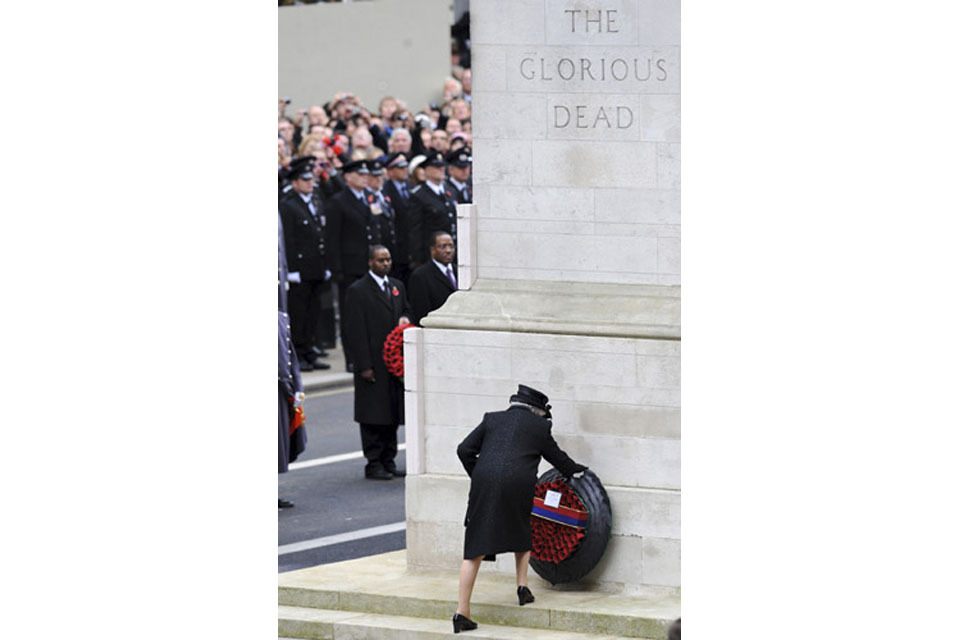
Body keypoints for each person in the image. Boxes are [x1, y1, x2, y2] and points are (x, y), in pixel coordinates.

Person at [452, 385, 587, 633]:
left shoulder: (492, 418)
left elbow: (464, 450)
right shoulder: (540, 427)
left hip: (485, 482)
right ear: (538, 411)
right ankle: (522, 587)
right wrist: (578, 470)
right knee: (522, 529)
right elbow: (559, 459)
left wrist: (480, 474)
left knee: (474, 548)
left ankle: (462, 612)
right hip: (519, 483)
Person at [342, 245, 412, 480]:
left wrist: (406, 318)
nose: (385, 264)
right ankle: (373, 463)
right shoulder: (358, 290)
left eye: (388, 260)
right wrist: (363, 365)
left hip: (392, 365)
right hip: (372, 364)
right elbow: (354, 330)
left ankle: (388, 460)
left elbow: (406, 311)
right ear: (370, 262)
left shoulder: (396, 286)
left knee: (391, 414)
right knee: (373, 416)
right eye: (381, 260)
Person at [326, 159, 383, 371]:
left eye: (366, 174)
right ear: (348, 177)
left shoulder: (369, 198)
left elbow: (375, 229)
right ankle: (352, 356)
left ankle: (371, 353)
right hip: (350, 267)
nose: (365, 177)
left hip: (369, 266)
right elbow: (332, 239)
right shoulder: (338, 202)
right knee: (352, 316)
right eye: (360, 174)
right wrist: (336, 269)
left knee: (372, 314)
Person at [278, 157, 332, 371]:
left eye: (311, 179)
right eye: (304, 179)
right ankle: (298, 354)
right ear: (294, 182)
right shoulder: (288, 205)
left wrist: (325, 264)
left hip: (315, 267)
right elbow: (288, 240)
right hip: (299, 270)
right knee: (299, 315)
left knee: (312, 314)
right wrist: (291, 270)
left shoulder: (315, 200)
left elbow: (321, 235)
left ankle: (310, 351)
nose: (310, 183)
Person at [408, 151, 458, 268]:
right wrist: (417, 257)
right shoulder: (419, 195)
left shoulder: (450, 192)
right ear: (426, 170)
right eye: (436, 167)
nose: (441, 169)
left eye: (442, 166)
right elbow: (415, 229)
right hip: (431, 254)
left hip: (451, 252)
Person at [278, 309, 306, 509]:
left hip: (280, 390)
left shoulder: (281, 317)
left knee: (278, 446)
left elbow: (291, 357)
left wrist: (298, 388)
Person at [408, 231, 456, 325]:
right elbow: (420, 313)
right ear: (432, 249)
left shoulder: (460, 271)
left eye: (451, 246)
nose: (448, 250)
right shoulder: (421, 276)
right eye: (443, 246)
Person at [380, 152, 413, 284]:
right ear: (390, 171)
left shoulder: (411, 187)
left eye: (406, 166)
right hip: (396, 248)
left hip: (410, 247)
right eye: (400, 167)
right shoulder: (385, 190)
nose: (405, 170)